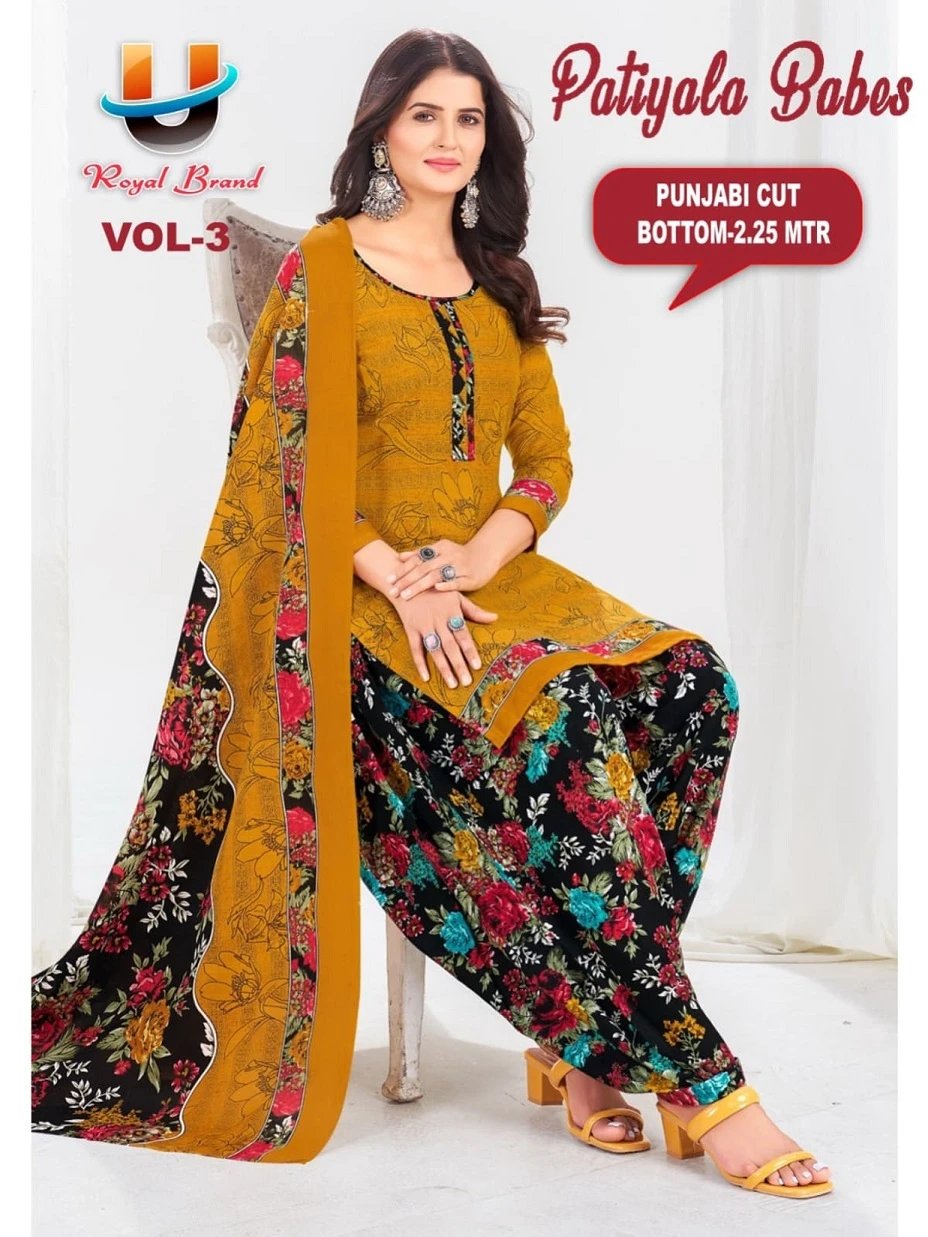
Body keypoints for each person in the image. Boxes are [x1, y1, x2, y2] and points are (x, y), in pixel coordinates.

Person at [30, 27, 831, 1197]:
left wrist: (472, 557)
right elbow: (282, 459)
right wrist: (404, 578)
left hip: (493, 583)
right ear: (381, 131)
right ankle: (704, 1083)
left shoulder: (501, 279)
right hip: (358, 601)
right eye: (424, 116)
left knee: (691, 684)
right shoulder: (327, 267)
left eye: (468, 119)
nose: (447, 138)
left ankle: (585, 1040)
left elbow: (545, 464)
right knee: (563, 714)